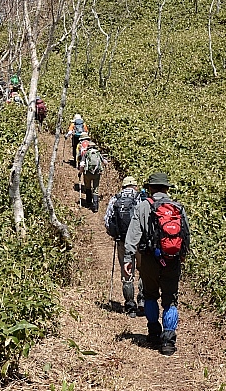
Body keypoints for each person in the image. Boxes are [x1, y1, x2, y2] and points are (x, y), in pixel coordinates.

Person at [122, 172, 190, 355]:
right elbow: (186, 235)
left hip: (150, 259)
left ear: (150, 188)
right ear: (167, 188)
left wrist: (128, 259)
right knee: (170, 300)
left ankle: (153, 333)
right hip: (172, 260)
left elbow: (133, 236)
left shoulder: (144, 206)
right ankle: (168, 341)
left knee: (150, 296)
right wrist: (181, 255)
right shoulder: (178, 207)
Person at [104, 176, 144, 317]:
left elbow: (107, 221)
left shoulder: (115, 199)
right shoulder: (140, 198)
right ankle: (142, 301)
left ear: (123, 186)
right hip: (139, 241)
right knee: (143, 270)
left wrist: (115, 235)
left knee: (127, 273)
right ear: (134, 186)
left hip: (122, 241)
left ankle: (130, 306)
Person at [78, 140, 105, 212]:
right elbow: (104, 162)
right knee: (95, 189)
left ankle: (88, 203)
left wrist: (80, 172)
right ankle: (95, 207)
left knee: (88, 187)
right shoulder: (98, 153)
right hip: (96, 173)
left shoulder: (86, 153)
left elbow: (82, 164)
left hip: (87, 173)